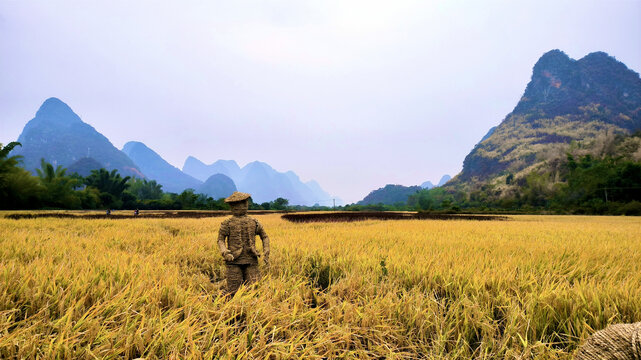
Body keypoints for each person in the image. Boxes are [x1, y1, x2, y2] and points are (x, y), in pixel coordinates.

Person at [217, 191, 270, 295]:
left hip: (251, 259)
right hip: (234, 261)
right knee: (233, 290)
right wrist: (225, 252)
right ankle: (230, 304)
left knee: (254, 289)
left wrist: (266, 250)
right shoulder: (227, 223)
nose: (241, 206)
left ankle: (252, 308)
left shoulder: (254, 222)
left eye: (243, 203)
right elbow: (220, 240)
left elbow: (264, 236)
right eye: (236, 204)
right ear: (231, 206)